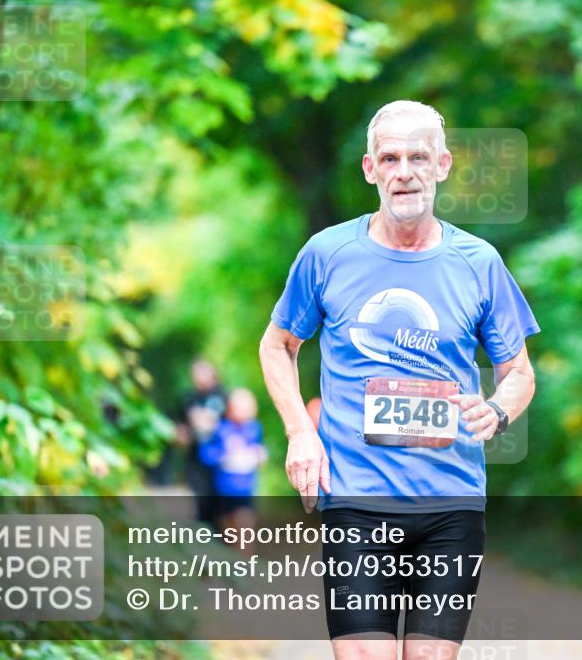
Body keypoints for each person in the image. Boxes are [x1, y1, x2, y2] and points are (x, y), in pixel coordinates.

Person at [259, 100, 538, 660]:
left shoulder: (478, 262)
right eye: (390, 157)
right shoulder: (327, 254)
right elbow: (278, 345)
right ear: (370, 169)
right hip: (356, 503)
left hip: (451, 504)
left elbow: (519, 374)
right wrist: (299, 432)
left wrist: (499, 409)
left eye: (418, 156)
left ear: (443, 165)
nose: (404, 170)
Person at [199, 388, 266, 546]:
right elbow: (205, 454)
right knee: (228, 536)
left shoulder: (255, 428)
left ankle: (246, 565)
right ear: (230, 408)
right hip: (223, 490)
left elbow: (259, 449)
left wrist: (259, 454)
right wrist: (224, 457)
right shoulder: (219, 429)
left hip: (246, 489)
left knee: (245, 531)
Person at [179, 359, 228, 525]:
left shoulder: (222, 396)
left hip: (220, 455)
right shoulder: (189, 398)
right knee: (201, 496)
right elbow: (182, 426)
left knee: (220, 499)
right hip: (196, 455)